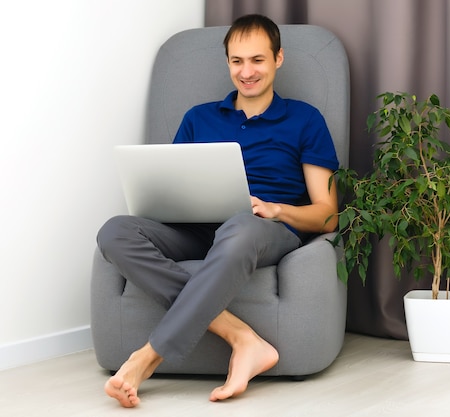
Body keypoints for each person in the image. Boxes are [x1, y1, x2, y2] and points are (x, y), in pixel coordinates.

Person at [97, 14, 339, 408]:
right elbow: (172, 185)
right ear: (227, 62)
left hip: (262, 228)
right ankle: (241, 337)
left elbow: (328, 215)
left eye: (257, 60)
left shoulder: (305, 120)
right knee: (115, 232)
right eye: (237, 61)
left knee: (240, 227)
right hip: (196, 227)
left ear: (278, 58)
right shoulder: (198, 118)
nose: (247, 72)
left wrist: (277, 210)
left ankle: (146, 358)